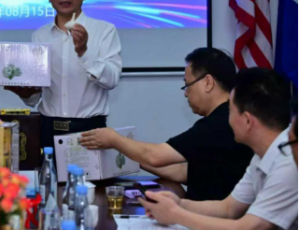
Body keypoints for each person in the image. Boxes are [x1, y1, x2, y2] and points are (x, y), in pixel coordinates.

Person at [79, 48, 253, 201]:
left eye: (187, 85)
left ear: (208, 83)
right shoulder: (226, 116)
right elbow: (183, 172)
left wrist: (113, 139)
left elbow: (155, 156)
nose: (186, 94)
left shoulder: (218, 123)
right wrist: (128, 155)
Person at [140, 68, 299, 230]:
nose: (227, 119)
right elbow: (228, 209)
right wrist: (179, 204)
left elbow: (249, 227)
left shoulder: (289, 160)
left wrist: (175, 214)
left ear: (247, 121)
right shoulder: (261, 155)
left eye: (230, 111)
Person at [6, 0, 122, 151]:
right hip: (47, 128)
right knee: (47, 171)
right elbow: (35, 99)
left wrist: (84, 51)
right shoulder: (39, 36)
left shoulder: (104, 31)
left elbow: (111, 80)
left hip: (90, 130)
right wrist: (24, 92)